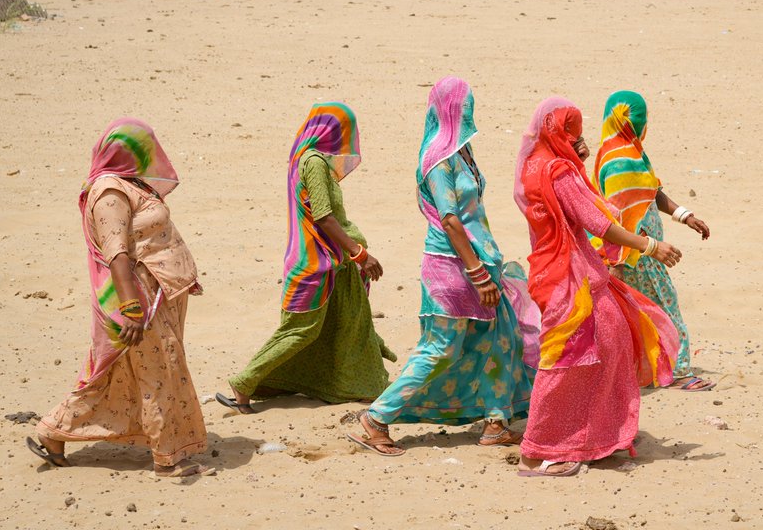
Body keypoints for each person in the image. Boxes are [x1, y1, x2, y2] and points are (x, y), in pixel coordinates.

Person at [348, 77, 539, 455]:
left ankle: (496, 421)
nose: (469, 111)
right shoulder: (437, 157)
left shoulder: (463, 152)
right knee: (441, 348)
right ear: (450, 108)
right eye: (464, 104)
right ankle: (375, 418)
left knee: (502, 337)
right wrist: (477, 272)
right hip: (453, 269)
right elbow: (450, 219)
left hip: (481, 263)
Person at [27, 118, 212, 477]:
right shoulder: (110, 192)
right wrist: (131, 308)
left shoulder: (130, 184)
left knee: (123, 374)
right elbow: (118, 254)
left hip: (158, 293)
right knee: (160, 371)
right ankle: (167, 458)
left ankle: (54, 430)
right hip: (138, 299)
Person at [513, 97, 681, 478]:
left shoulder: (537, 163)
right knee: (568, 357)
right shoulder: (557, 171)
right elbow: (597, 221)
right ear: (562, 133)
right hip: (568, 277)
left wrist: (577, 162)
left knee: (609, 341)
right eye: (573, 131)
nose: (577, 138)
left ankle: (592, 437)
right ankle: (537, 450)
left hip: (561, 271)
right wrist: (651, 247)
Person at [216, 102, 394, 413]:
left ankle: (361, 385)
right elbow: (323, 216)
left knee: (349, 322)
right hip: (316, 264)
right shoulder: (313, 162)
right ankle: (243, 384)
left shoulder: (319, 163)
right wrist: (359, 253)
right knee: (302, 329)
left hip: (336, 262)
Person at [594, 90, 714, 391]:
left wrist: (685, 215)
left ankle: (640, 370)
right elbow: (616, 215)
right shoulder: (621, 161)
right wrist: (622, 257)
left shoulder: (628, 152)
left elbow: (653, 193)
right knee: (664, 305)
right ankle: (680, 371)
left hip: (640, 250)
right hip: (640, 253)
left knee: (637, 310)